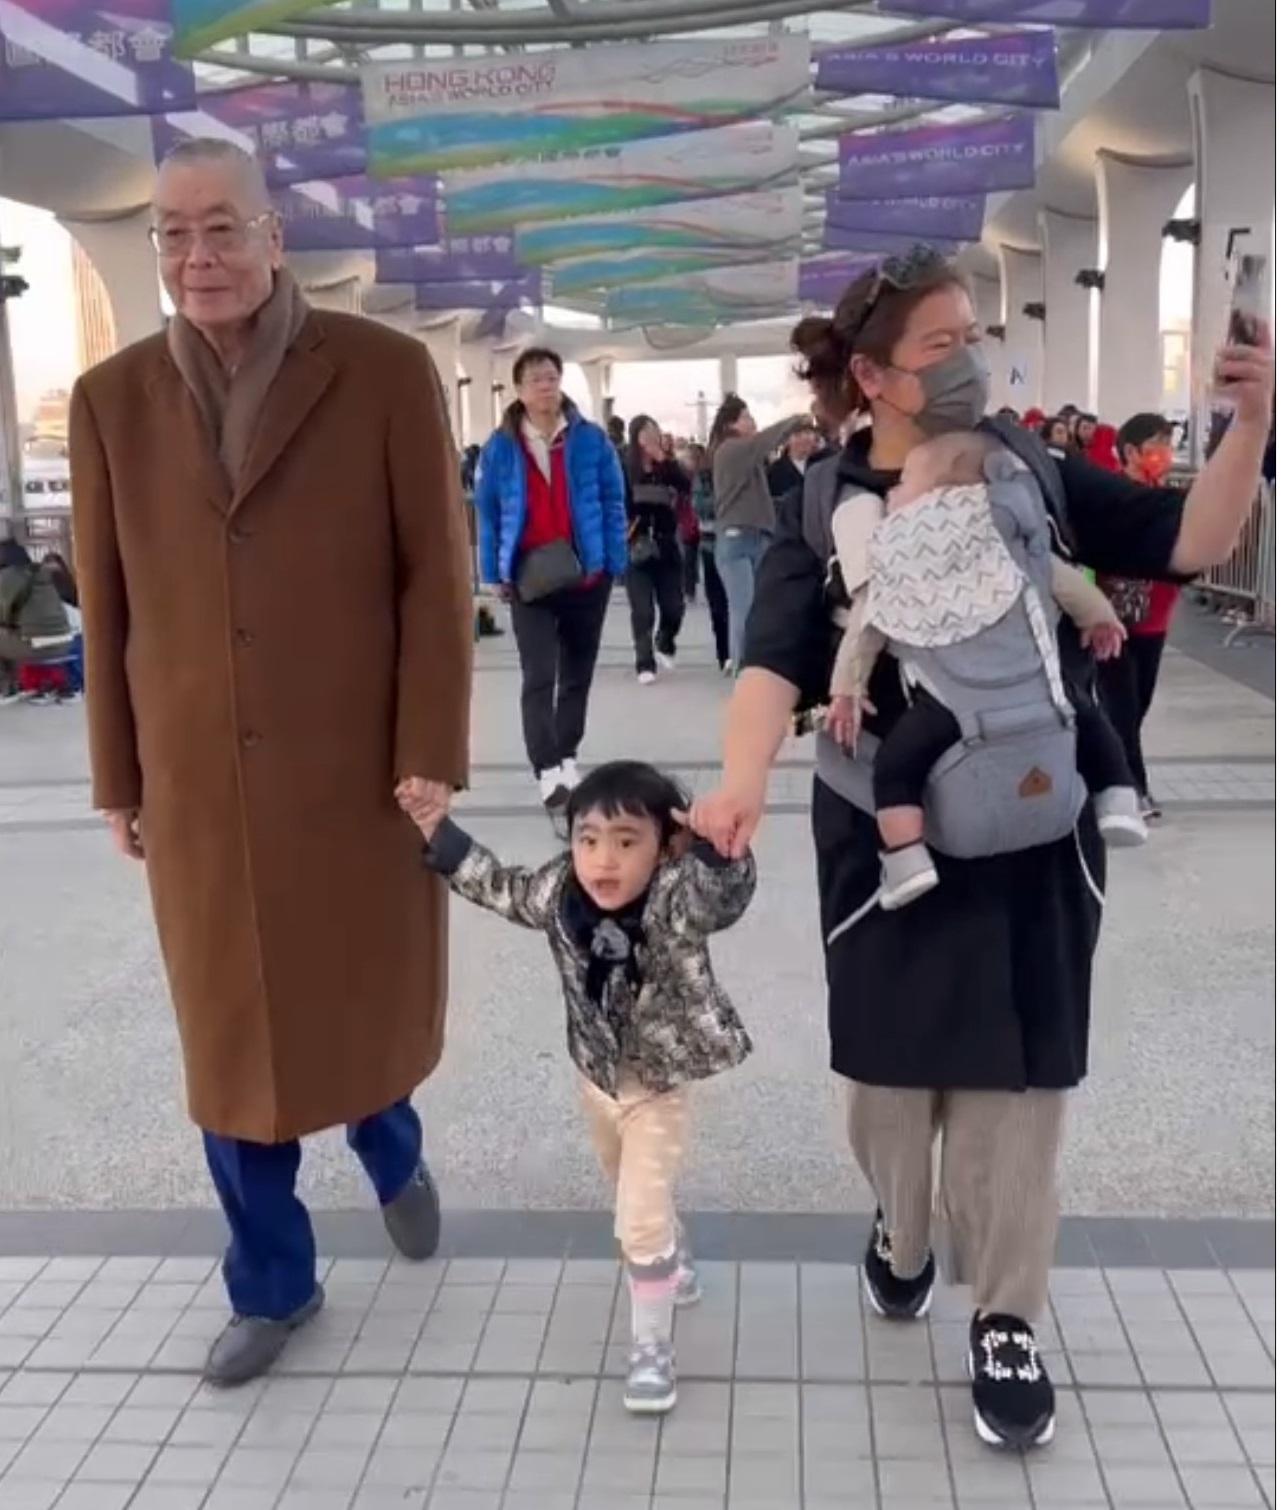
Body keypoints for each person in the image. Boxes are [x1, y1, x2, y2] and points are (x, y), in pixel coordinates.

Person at [686, 246, 1272, 1451]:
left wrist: (1249, 425)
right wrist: (737, 782)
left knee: (1018, 1085)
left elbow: (1189, 538)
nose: (970, 362)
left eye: (974, 336)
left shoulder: (1026, 467)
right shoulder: (823, 501)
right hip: (885, 827)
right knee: (887, 1088)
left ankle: (1004, 1314)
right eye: (940, 344)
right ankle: (901, 1231)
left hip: (1032, 818)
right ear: (872, 376)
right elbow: (772, 660)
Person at [69, 139, 475, 1386]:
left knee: (351, 998)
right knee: (230, 1037)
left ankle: (390, 1146)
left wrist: (429, 748)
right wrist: (119, 774)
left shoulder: (381, 370)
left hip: (354, 769)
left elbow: (435, 573)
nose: (197, 256)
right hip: (197, 776)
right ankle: (272, 1284)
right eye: (173, 234)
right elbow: (107, 600)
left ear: (272, 237)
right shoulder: (113, 398)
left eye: (221, 229)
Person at [398, 761, 756, 1416]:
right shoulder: (560, 892)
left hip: (658, 1084)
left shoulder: (677, 898)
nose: (604, 859)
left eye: (627, 841)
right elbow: (500, 887)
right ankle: (670, 1250)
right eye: (588, 840)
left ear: (665, 847)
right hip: (596, 1077)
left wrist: (716, 848)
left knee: (636, 1219)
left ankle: (651, 1348)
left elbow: (721, 897)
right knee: (628, 1188)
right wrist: (436, 829)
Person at [822, 429, 1144, 909]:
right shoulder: (1007, 538)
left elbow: (868, 624)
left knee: (895, 768)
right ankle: (1117, 798)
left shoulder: (899, 552)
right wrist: (1099, 617)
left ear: (942, 493)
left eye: (904, 482)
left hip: (950, 701)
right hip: (1036, 684)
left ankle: (906, 857)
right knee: (1090, 719)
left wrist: (846, 689)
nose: (893, 492)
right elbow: (1061, 579)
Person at [473, 347, 627, 811]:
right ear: (519, 389)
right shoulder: (500, 447)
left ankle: (567, 754)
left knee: (577, 672)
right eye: (536, 379)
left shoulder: (591, 439)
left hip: (586, 574)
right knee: (539, 675)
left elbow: (613, 500)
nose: (546, 386)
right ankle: (546, 768)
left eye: (552, 377)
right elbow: (487, 513)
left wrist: (613, 561)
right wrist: (492, 573)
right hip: (530, 579)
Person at [1097, 414, 1183, 820]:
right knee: (1123, 708)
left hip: (1155, 620)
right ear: (1131, 451)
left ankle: (1108, 780)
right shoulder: (1110, 496)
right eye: (1157, 444)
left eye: (1168, 444)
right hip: (1112, 621)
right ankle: (1133, 790)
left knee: (1137, 705)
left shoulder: (1168, 499)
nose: (1165, 454)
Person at [710, 395, 810, 672]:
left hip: (758, 536)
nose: (752, 421)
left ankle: (756, 665)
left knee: (759, 608)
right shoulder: (731, 450)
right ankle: (743, 669)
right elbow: (764, 441)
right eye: (746, 417)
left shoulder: (748, 457)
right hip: (737, 539)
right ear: (731, 424)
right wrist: (794, 421)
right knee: (744, 608)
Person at [624, 415, 689, 685]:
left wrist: (663, 460)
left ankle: (665, 639)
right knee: (642, 610)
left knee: (674, 606)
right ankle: (644, 662)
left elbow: (686, 485)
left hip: (665, 543)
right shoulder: (625, 468)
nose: (651, 437)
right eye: (646, 432)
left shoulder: (667, 467)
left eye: (655, 431)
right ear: (635, 437)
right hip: (636, 544)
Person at [0, 538, 74, 701]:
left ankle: (6, 688)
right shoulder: (41, 573)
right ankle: (16, 685)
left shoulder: (6, 578)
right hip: (65, 643)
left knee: (8, 637)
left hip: (37, 647)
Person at [688, 444, 731, 672]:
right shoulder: (703, 477)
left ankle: (737, 651)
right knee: (717, 602)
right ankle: (724, 652)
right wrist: (726, 501)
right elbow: (699, 506)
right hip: (711, 544)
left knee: (739, 601)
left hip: (739, 542)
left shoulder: (745, 472)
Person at [766, 421, 819, 507]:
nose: (804, 438)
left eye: (808, 433)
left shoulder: (821, 464)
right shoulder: (775, 471)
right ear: (787, 440)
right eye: (798, 435)